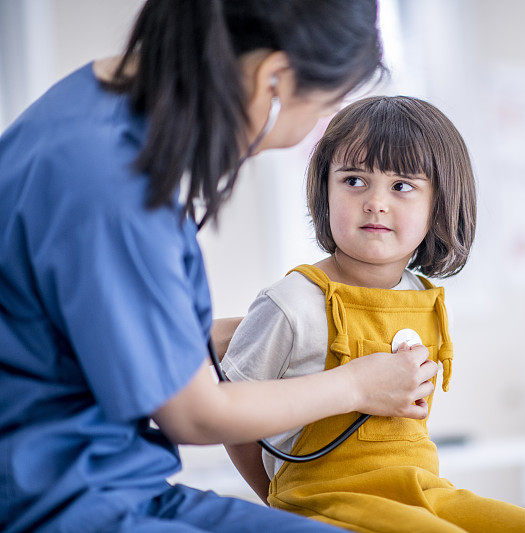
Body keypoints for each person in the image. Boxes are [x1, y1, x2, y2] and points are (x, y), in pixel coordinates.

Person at [0, 1, 440, 531]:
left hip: (101, 480)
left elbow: (64, 330)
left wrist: (205, 335)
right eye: (321, 109)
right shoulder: (111, 186)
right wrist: (358, 385)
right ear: (271, 81)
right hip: (61, 502)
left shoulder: (89, 106)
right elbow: (195, 414)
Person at [222, 96, 525, 532]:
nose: (375, 202)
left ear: (438, 204)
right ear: (324, 192)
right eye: (353, 180)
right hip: (325, 496)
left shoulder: (424, 297)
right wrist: (278, 503)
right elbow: (231, 415)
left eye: (402, 186)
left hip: (421, 488)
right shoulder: (292, 301)